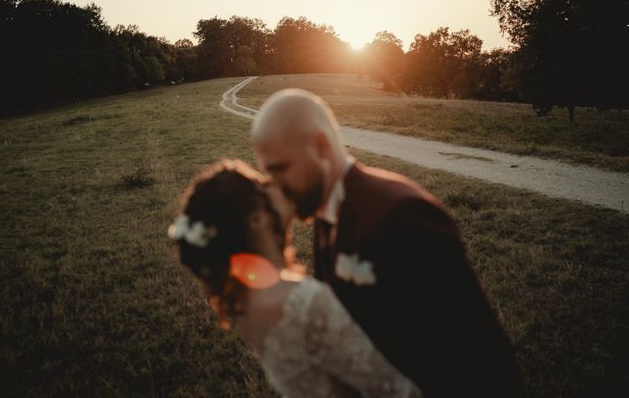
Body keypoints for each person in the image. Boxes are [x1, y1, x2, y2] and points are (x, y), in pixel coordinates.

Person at [252, 88, 523, 397]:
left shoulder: (403, 215)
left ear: (321, 146)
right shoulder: (325, 215)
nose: (275, 186)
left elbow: (475, 354)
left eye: (280, 169)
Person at [169, 159, 423, 398]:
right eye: (263, 186)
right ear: (257, 219)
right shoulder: (304, 301)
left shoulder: (246, 303)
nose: (275, 184)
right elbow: (396, 390)